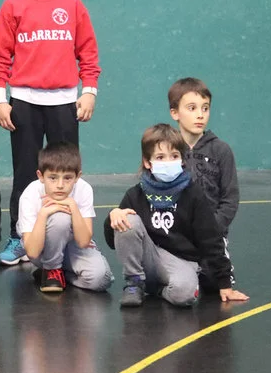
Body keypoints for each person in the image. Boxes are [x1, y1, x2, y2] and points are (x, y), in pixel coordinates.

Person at [0, 0, 101, 266]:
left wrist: (89, 92)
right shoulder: (13, 6)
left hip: (65, 103)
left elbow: (88, 53)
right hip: (23, 102)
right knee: (26, 172)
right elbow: (0, 57)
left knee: (66, 172)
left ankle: (74, 238)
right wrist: (0, 99)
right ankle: (19, 237)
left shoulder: (73, 5)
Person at [106, 124, 248, 308]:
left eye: (174, 156)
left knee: (185, 295)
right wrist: (113, 217)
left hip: (182, 261)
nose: (168, 162)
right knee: (127, 218)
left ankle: (155, 289)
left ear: (182, 160)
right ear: (147, 162)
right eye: (160, 157)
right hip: (148, 256)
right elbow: (112, 241)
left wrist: (224, 283)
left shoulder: (193, 194)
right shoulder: (135, 195)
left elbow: (210, 238)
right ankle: (134, 283)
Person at [17, 143, 113, 293]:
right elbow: (33, 252)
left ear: (77, 177)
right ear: (41, 176)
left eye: (67, 178)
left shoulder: (84, 189)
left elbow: (83, 241)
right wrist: (43, 214)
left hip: (72, 245)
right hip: (41, 247)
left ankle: (55, 274)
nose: (60, 185)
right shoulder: (30, 195)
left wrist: (73, 206)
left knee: (101, 280)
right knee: (59, 217)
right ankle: (51, 269)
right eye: (53, 178)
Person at [168, 77, 239, 239]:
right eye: (192, 108)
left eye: (205, 108)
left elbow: (230, 200)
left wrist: (211, 229)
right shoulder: (166, 150)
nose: (200, 115)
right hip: (174, 238)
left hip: (212, 238)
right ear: (175, 113)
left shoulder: (221, 150)